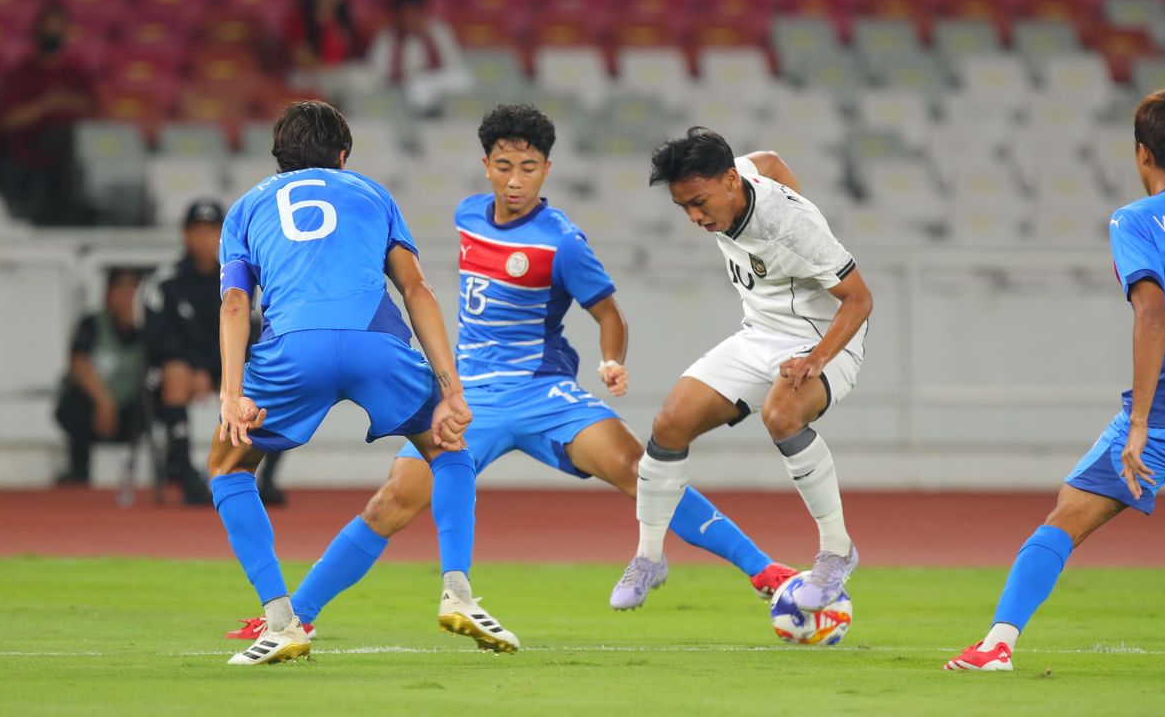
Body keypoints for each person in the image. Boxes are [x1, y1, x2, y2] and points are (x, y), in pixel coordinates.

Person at [224, 104, 797, 642]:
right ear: (487, 168)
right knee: (389, 504)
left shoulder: (563, 242)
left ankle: (764, 571)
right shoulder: (467, 214)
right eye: (504, 166)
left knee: (639, 471)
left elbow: (609, 313)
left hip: (543, 391)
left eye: (528, 167)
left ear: (547, 169)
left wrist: (611, 358)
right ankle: (297, 617)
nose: (516, 180)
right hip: (473, 390)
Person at [210, 100, 515, 666]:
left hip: (293, 348)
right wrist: (451, 387)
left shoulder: (247, 208)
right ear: (343, 156)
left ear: (278, 158)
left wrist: (232, 393)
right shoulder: (374, 195)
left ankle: (282, 622)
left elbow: (234, 302)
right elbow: (416, 289)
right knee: (449, 449)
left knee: (227, 470)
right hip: (378, 344)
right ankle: (458, 592)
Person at [944, 90, 1165, 672]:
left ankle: (998, 644)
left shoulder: (1135, 220)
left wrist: (1143, 419)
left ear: (1142, 154)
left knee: (1067, 518)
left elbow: (1152, 310)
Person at [612, 127, 873, 613]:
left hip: (826, 337)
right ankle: (649, 557)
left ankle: (837, 551)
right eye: (683, 206)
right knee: (669, 424)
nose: (693, 215)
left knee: (782, 414)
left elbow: (860, 299)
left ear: (729, 181)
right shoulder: (741, 176)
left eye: (699, 202)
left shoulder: (790, 229)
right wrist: (800, 198)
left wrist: (816, 359)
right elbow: (770, 160)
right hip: (760, 334)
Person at [143, 199, 284, 506]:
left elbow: (252, 332)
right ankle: (183, 473)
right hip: (183, 368)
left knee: (276, 379)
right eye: (197, 231)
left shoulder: (237, 278)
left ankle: (264, 474)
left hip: (226, 365)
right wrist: (197, 368)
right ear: (185, 235)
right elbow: (158, 338)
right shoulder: (167, 281)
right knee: (174, 373)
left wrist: (210, 370)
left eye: (212, 231)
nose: (205, 239)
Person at [0, 0, 96, 225]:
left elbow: (97, 112)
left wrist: (70, 102)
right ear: (36, 33)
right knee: (68, 140)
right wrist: (47, 104)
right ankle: (69, 214)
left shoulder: (76, 72)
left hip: (82, 147)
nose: (53, 35)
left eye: (57, 30)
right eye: (48, 30)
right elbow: (8, 121)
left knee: (86, 142)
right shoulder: (23, 73)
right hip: (35, 145)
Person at [55, 268, 146, 485]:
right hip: (94, 408)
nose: (126, 299)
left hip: (130, 411)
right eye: (121, 291)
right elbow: (79, 362)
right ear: (108, 295)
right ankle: (78, 468)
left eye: (132, 292)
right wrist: (104, 402)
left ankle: (172, 465)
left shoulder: (149, 331)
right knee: (75, 401)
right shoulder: (92, 324)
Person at [367, 0, 472, 116]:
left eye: (414, 13)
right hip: (402, 88)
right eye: (405, 13)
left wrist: (426, 39)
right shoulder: (387, 37)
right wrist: (409, 78)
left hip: (435, 85)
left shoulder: (438, 31)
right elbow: (379, 73)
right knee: (416, 87)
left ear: (422, 13)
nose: (409, 19)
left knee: (463, 78)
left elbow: (452, 64)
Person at [284, 0, 361, 75]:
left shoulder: (345, 24)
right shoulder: (297, 20)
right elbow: (303, 60)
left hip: (337, 77)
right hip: (306, 78)